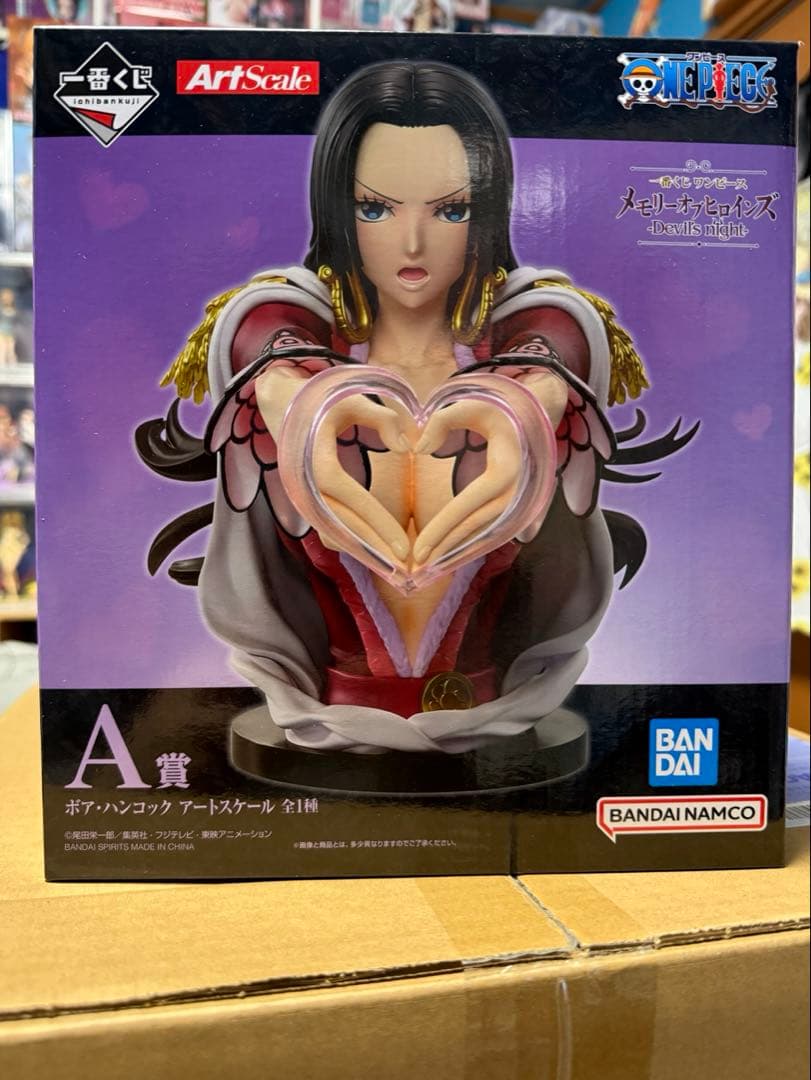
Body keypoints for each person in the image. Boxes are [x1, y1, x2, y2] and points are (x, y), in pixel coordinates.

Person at [138, 61, 695, 754]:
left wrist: (528, 401)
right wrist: (292, 389)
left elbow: (559, 328)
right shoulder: (298, 352)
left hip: (500, 730)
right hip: (322, 733)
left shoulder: (525, 351)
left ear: (487, 211)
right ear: (336, 209)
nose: (411, 243)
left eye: (450, 209)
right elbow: (264, 322)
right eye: (374, 208)